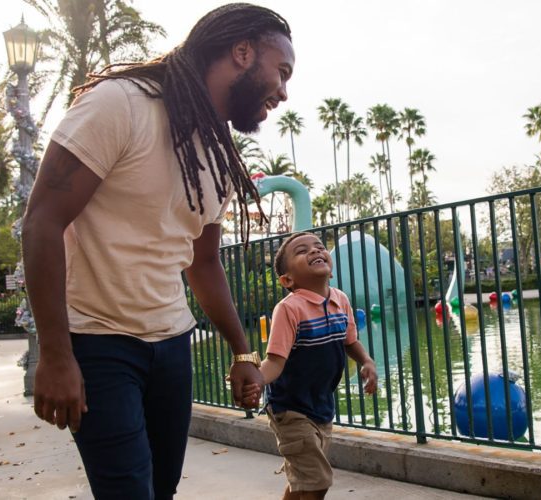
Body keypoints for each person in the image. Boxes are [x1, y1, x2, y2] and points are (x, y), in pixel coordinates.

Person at [21, 4, 294, 499]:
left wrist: (242, 352)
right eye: (282, 71)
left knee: (160, 491)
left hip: (171, 346)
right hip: (98, 343)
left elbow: (204, 263)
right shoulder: (120, 104)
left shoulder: (216, 154)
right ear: (242, 52)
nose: (284, 90)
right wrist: (55, 354)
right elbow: (42, 219)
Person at [244, 232, 378, 500]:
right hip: (290, 409)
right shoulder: (289, 309)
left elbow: (350, 341)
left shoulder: (341, 300)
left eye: (319, 246)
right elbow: (276, 361)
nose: (315, 251)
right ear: (287, 280)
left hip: (321, 406)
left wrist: (366, 360)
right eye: (302, 251)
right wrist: (256, 380)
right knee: (317, 481)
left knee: (304, 480)